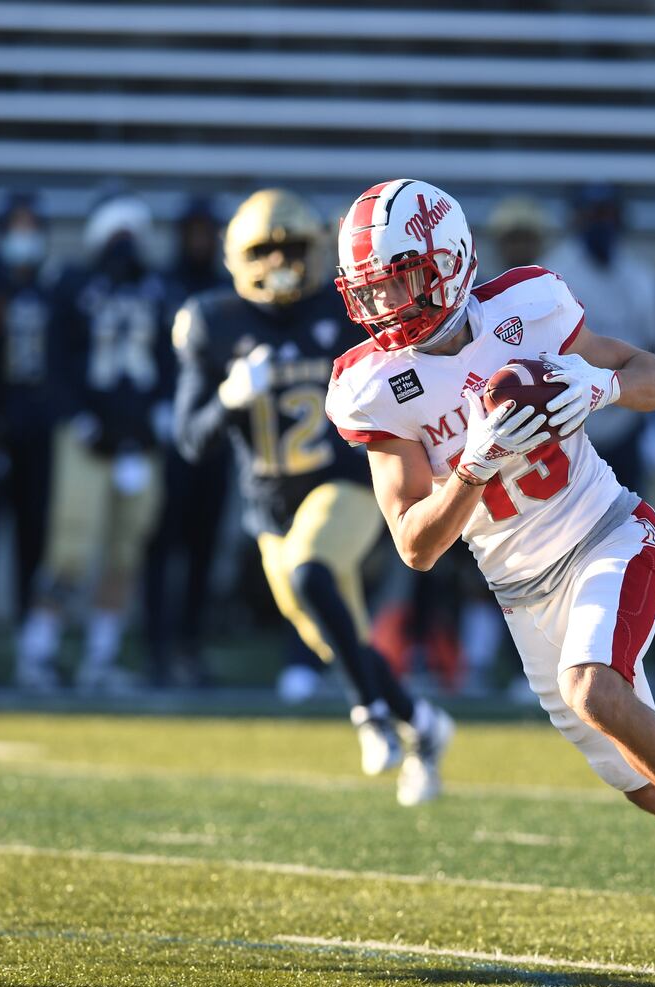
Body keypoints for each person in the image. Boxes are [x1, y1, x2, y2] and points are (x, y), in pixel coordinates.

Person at [326, 179, 655, 986]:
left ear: (449, 263)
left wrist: (595, 386)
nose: (385, 303)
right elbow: (417, 544)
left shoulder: (531, 303)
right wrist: (473, 468)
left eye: (398, 279)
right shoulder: (373, 383)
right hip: (522, 594)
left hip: (610, 535)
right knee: (647, 787)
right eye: (371, 287)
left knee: (595, 688)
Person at [175, 188, 451, 804]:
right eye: (265, 250)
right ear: (236, 257)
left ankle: (369, 717)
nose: (280, 261)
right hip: (269, 507)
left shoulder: (341, 306)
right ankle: (423, 725)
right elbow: (189, 439)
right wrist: (227, 399)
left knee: (311, 571)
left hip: (346, 481)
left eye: (293, 246)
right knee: (340, 637)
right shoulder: (212, 322)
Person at [16, 193, 169, 692]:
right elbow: (55, 360)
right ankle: (36, 653)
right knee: (71, 549)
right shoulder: (72, 285)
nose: (125, 243)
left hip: (139, 441)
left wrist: (154, 422)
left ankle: (99, 660)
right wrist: (78, 417)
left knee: (127, 551)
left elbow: (171, 361)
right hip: (85, 439)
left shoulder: (157, 289)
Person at [0, 191, 58, 651]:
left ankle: (31, 642)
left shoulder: (53, 286)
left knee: (34, 537)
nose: (24, 237)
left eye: (30, 226)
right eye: (15, 227)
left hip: (38, 431)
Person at [147, 194, 231, 687]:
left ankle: (189, 645)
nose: (200, 240)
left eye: (207, 231)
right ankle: (158, 645)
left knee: (202, 546)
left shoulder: (224, 291)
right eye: (193, 230)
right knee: (162, 544)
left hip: (214, 434)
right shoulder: (162, 288)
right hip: (168, 433)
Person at [542, 183, 655, 495]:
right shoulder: (552, 274)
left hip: (627, 413)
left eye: (607, 214)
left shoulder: (642, 278)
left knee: (628, 511)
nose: (600, 222)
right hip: (570, 416)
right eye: (593, 214)